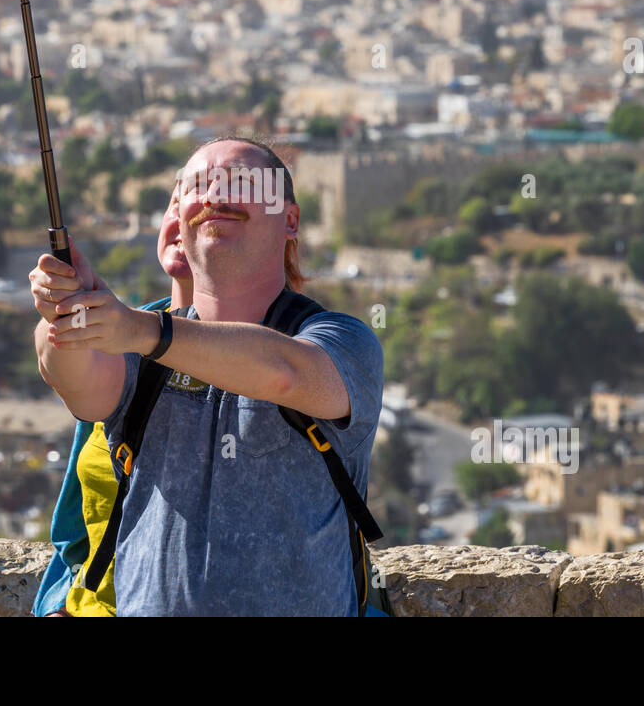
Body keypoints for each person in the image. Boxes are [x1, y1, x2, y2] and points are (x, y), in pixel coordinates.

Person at [30, 137, 383, 616]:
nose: (216, 194)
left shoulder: (341, 340)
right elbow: (75, 380)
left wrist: (138, 329)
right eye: (197, 185)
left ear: (291, 220)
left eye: (243, 182)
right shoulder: (141, 347)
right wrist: (65, 315)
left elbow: (284, 374)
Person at [31, 182, 192, 617]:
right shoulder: (127, 345)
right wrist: (66, 311)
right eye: (176, 203)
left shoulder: (308, 343)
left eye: (215, 207)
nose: (183, 217)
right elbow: (82, 533)